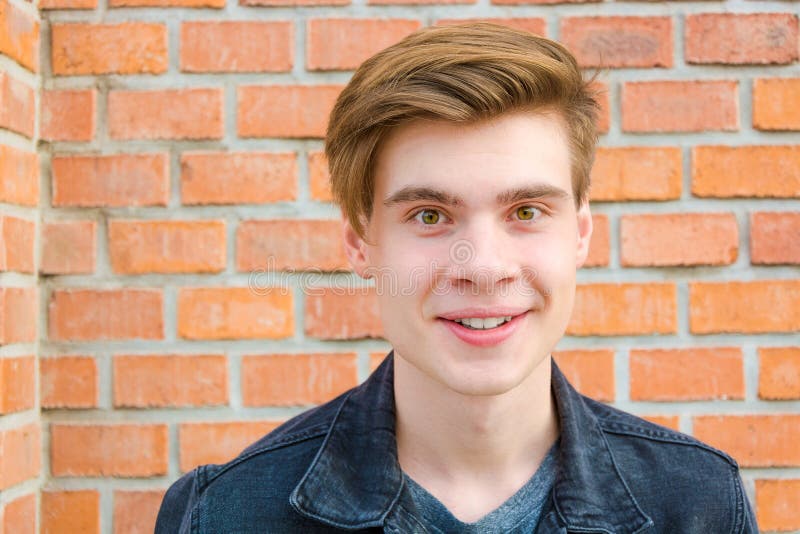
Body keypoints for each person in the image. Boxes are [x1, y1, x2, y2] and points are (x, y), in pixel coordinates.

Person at [155, 23, 759, 533]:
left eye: (526, 212)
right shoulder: (226, 514)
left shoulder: (699, 503)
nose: (485, 268)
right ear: (360, 245)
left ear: (580, 234)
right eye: (430, 216)